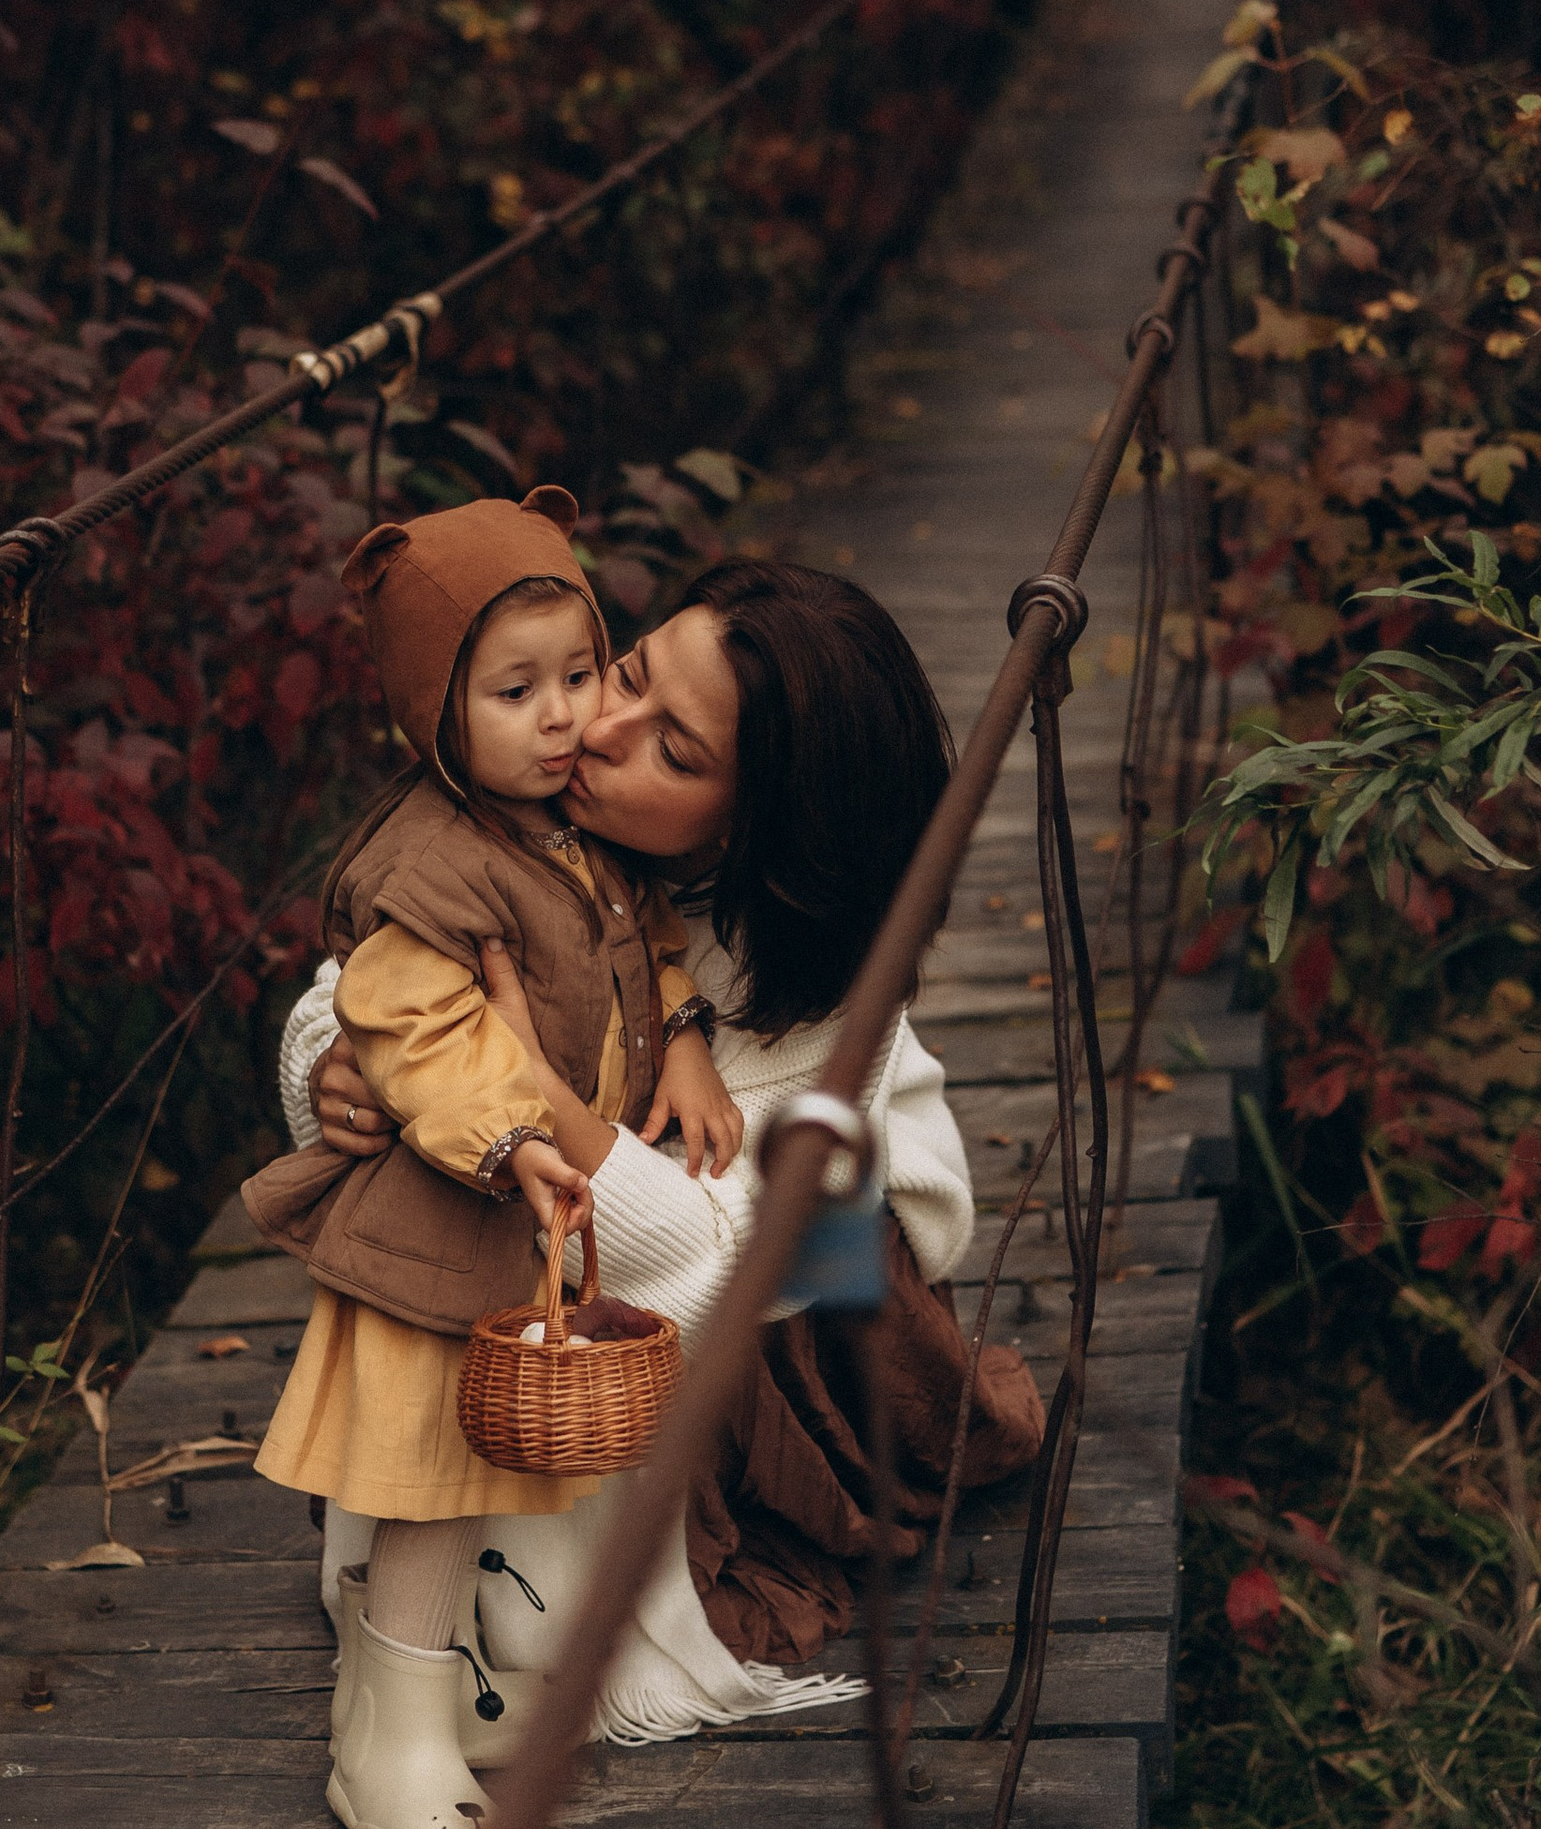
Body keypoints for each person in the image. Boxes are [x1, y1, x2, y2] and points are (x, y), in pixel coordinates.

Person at [281, 556, 1043, 1748]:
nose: (595, 727)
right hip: (564, 1290)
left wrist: (531, 1092)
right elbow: (354, 993)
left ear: (757, 828)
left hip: (804, 1295)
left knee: (823, 1268)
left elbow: (709, 1267)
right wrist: (344, 1076)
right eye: (625, 673)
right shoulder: (522, 825)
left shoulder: (819, 998)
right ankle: (417, 1660)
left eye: (672, 752)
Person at [241, 489, 741, 1829]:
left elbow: (646, 942)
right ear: (433, 720)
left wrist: (685, 1036)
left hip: (497, 1236)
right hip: (437, 1236)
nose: (567, 716)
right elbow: (410, 1021)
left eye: (581, 675)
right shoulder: (434, 862)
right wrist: (511, 1138)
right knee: (428, 1487)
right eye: (516, 691)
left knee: (462, 1486)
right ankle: (387, 1745)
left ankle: (419, 1691)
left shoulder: (564, 836)